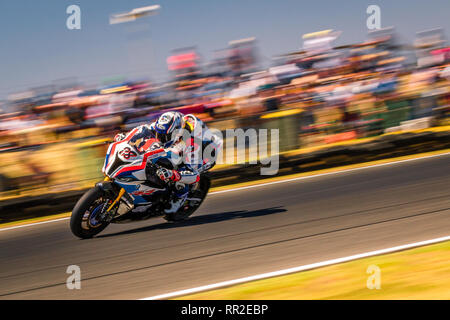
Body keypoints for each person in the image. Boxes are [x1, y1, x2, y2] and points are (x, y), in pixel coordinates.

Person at [114, 111, 222, 214]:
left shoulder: (191, 144)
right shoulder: (165, 125)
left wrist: (172, 174)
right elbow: (143, 129)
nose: (160, 137)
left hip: (205, 154)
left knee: (179, 172)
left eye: (164, 136)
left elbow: (194, 175)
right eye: (159, 134)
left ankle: (179, 199)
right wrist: (125, 137)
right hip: (187, 136)